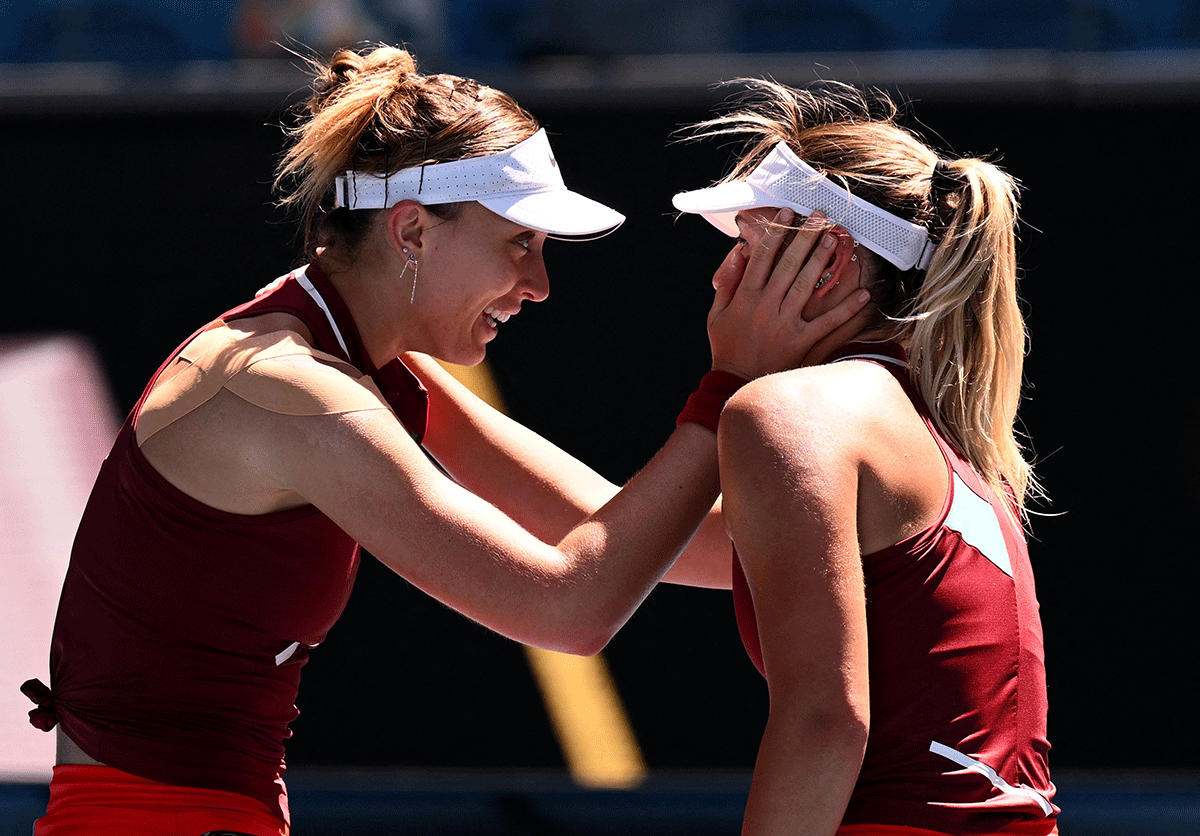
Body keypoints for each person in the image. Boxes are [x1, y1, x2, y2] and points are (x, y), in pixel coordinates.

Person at [20, 48, 870, 836]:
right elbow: (567, 607)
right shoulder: (288, 391)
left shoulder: (352, 364)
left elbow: (657, 535)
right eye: (519, 244)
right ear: (414, 230)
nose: (537, 285)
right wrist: (727, 385)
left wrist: (901, 523)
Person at [669, 79, 1058, 836]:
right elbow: (594, 534)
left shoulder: (793, 414)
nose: (722, 278)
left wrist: (727, 388)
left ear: (830, 260)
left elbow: (824, 721)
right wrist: (416, 389)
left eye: (747, 248)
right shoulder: (933, 437)